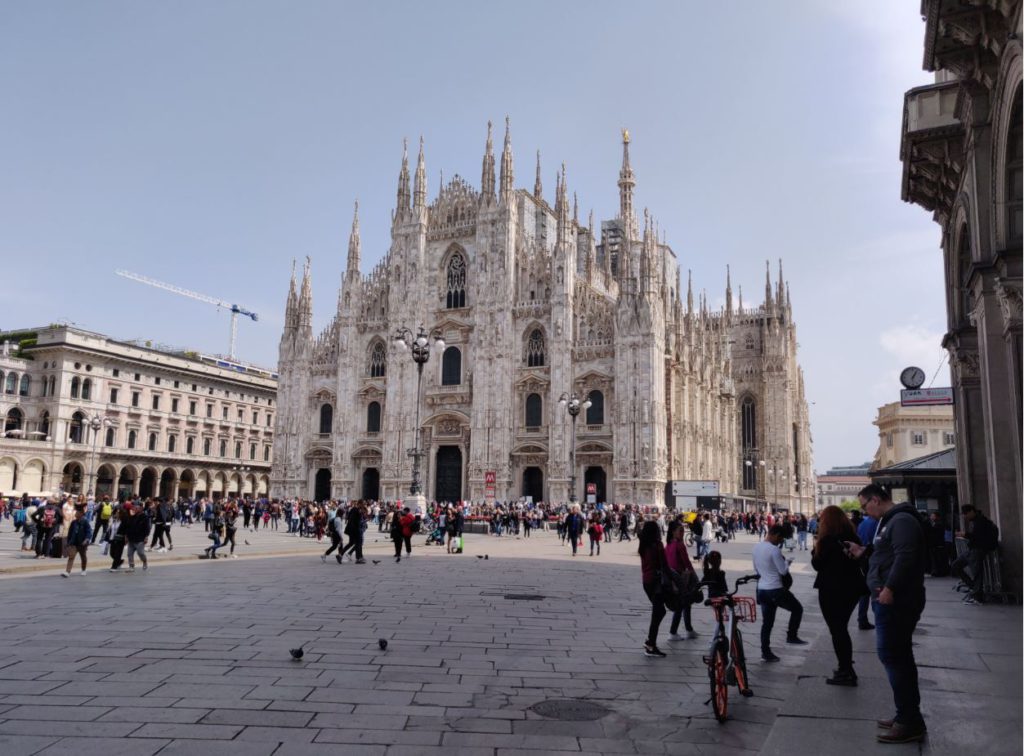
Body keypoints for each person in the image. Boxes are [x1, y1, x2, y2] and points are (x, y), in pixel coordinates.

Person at [845, 484, 928, 744]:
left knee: (894, 656)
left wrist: (890, 588)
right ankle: (906, 714)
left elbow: (906, 557)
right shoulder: (889, 521)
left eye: (864, 505)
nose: (863, 511)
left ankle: (909, 721)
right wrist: (863, 553)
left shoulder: (901, 520)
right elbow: (887, 556)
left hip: (897, 600)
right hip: (889, 598)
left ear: (876, 499)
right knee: (897, 656)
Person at [811, 505, 868, 686]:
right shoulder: (852, 536)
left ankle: (846, 671)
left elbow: (818, 565)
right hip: (852, 589)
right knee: (841, 628)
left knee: (837, 630)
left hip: (832, 590)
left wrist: (815, 549)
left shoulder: (827, 540)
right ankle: (845, 667)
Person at [752, 524, 807, 662]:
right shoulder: (774, 550)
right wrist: (787, 562)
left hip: (762, 590)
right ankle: (792, 636)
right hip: (775, 589)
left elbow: (756, 569)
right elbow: (783, 571)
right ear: (775, 534)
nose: (780, 541)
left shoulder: (756, 547)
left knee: (767, 623)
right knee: (797, 609)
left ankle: (766, 652)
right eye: (780, 538)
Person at [952, 504, 999, 604]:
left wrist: (965, 535)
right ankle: (975, 589)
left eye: (966, 514)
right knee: (956, 565)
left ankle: (977, 596)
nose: (965, 516)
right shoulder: (976, 521)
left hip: (977, 549)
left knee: (977, 573)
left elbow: (978, 537)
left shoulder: (981, 521)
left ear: (972, 511)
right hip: (972, 549)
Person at [637, 520, 669, 658]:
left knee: (659, 611)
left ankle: (650, 641)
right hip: (656, 582)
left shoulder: (643, 545)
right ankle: (651, 645)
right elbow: (664, 565)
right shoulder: (657, 545)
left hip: (647, 581)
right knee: (658, 612)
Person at [665, 520, 698, 640]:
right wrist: (694, 575)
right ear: (673, 532)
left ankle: (689, 629)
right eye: (680, 531)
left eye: (683, 530)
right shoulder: (679, 545)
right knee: (681, 605)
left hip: (671, 578)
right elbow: (686, 562)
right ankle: (673, 632)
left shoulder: (668, 544)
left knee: (685, 604)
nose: (682, 533)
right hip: (681, 578)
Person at [856, 509, 879, 630]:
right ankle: (880, 619)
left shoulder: (862, 523)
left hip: (863, 558)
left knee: (864, 592)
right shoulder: (877, 523)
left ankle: (862, 619)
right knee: (877, 589)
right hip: (873, 558)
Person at [62, 506, 92, 577]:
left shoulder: (85, 522)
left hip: (82, 543)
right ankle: (67, 572)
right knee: (71, 557)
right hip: (74, 543)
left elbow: (89, 532)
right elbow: (70, 532)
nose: (76, 513)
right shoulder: (73, 522)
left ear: (81, 514)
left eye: (77, 512)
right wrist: (68, 542)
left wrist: (86, 539)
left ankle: (83, 570)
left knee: (83, 557)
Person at [121, 502, 150, 572]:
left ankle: (145, 562)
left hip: (140, 539)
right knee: (129, 554)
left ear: (141, 508)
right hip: (131, 538)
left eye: (136, 508)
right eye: (134, 508)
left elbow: (147, 528)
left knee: (141, 553)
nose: (135, 509)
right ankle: (131, 567)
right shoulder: (131, 516)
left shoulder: (144, 517)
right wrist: (126, 536)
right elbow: (128, 527)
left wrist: (146, 537)